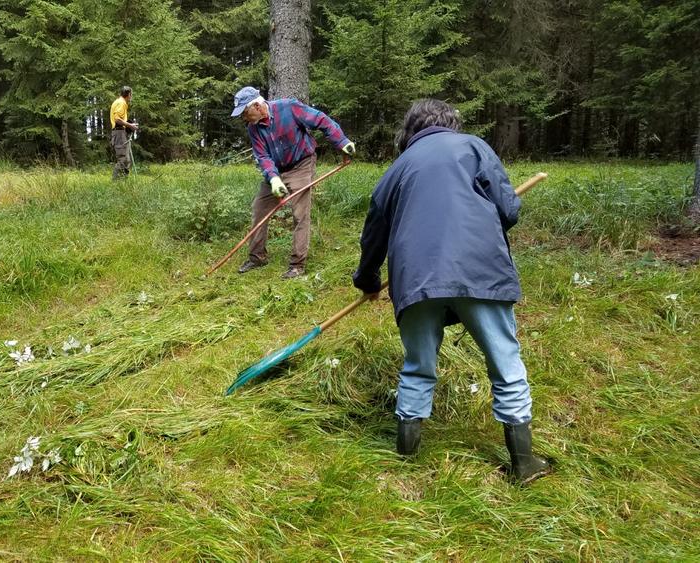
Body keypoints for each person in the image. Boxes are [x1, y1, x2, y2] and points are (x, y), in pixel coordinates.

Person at [352, 99, 551, 484]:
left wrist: (368, 281)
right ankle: (524, 465)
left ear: (409, 131)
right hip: (480, 271)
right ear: (450, 123)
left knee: (417, 365)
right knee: (505, 365)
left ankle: (406, 459)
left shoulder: (394, 171)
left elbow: (373, 236)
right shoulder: (473, 146)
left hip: (415, 279)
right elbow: (508, 210)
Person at [231, 86, 355, 279]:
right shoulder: (253, 128)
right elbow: (262, 156)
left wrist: (342, 142)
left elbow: (321, 120)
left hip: (301, 164)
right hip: (277, 170)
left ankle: (297, 264)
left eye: (245, 113)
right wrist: (273, 178)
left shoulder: (289, 108)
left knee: (300, 213)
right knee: (259, 208)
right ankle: (257, 257)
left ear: (257, 105)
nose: (244, 118)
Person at [110, 86, 138, 180]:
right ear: (128, 94)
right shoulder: (121, 103)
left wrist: (128, 125)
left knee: (126, 160)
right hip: (119, 133)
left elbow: (120, 119)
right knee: (123, 159)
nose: (131, 96)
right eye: (131, 94)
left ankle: (123, 184)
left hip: (120, 132)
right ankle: (116, 184)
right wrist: (131, 126)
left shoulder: (119, 102)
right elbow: (117, 119)